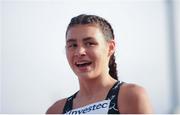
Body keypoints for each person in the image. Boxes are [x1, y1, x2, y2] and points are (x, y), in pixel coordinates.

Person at [46, 14, 153, 114]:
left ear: (110, 48)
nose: (79, 52)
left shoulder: (130, 96)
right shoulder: (56, 110)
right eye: (73, 45)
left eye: (90, 43)